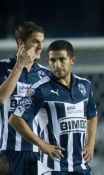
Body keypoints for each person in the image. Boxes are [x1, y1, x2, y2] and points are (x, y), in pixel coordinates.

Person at [9, 40, 98, 175]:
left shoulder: (85, 85)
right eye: (52, 60)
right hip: (53, 168)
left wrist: (90, 144)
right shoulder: (40, 89)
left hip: (81, 167)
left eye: (62, 59)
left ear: (72, 60)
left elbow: (92, 115)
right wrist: (42, 145)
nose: (57, 65)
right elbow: (15, 119)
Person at [0, 21, 50, 175]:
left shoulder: (46, 75)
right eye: (35, 41)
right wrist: (20, 65)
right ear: (21, 43)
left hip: (38, 150)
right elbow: (2, 98)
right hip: (8, 150)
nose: (40, 46)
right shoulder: (2, 67)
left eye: (42, 42)